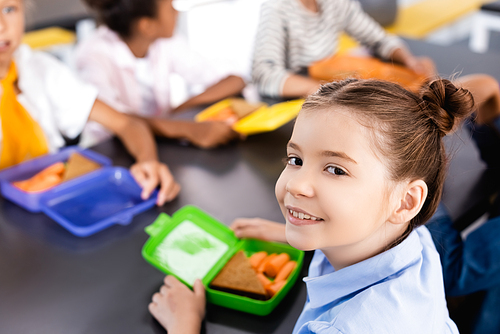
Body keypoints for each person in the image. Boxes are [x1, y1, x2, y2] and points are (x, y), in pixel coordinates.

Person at [149, 77, 475, 333]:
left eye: (335, 169)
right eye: (295, 159)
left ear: (406, 201)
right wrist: (297, 229)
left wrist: (185, 325)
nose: (295, 184)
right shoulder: (412, 240)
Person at [0, 0, 179, 205]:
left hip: (46, 207)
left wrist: (148, 162)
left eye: (9, 9)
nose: (2, 26)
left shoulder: (42, 71)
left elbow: (127, 124)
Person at [74, 0, 246, 148]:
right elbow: (117, 119)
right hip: (111, 148)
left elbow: (234, 79)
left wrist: (182, 107)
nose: (177, 12)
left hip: (163, 141)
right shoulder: (93, 54)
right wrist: (190, 129)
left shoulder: (164, 40)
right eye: (171, 8)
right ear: (147, 26)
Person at [251, 0, 435, 98]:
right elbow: (263, 73)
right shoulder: (276, 8)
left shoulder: (335, 3)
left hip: (330, 83)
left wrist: (409, 60)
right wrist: (319, 89)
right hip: (293, 94)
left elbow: (378, 38)